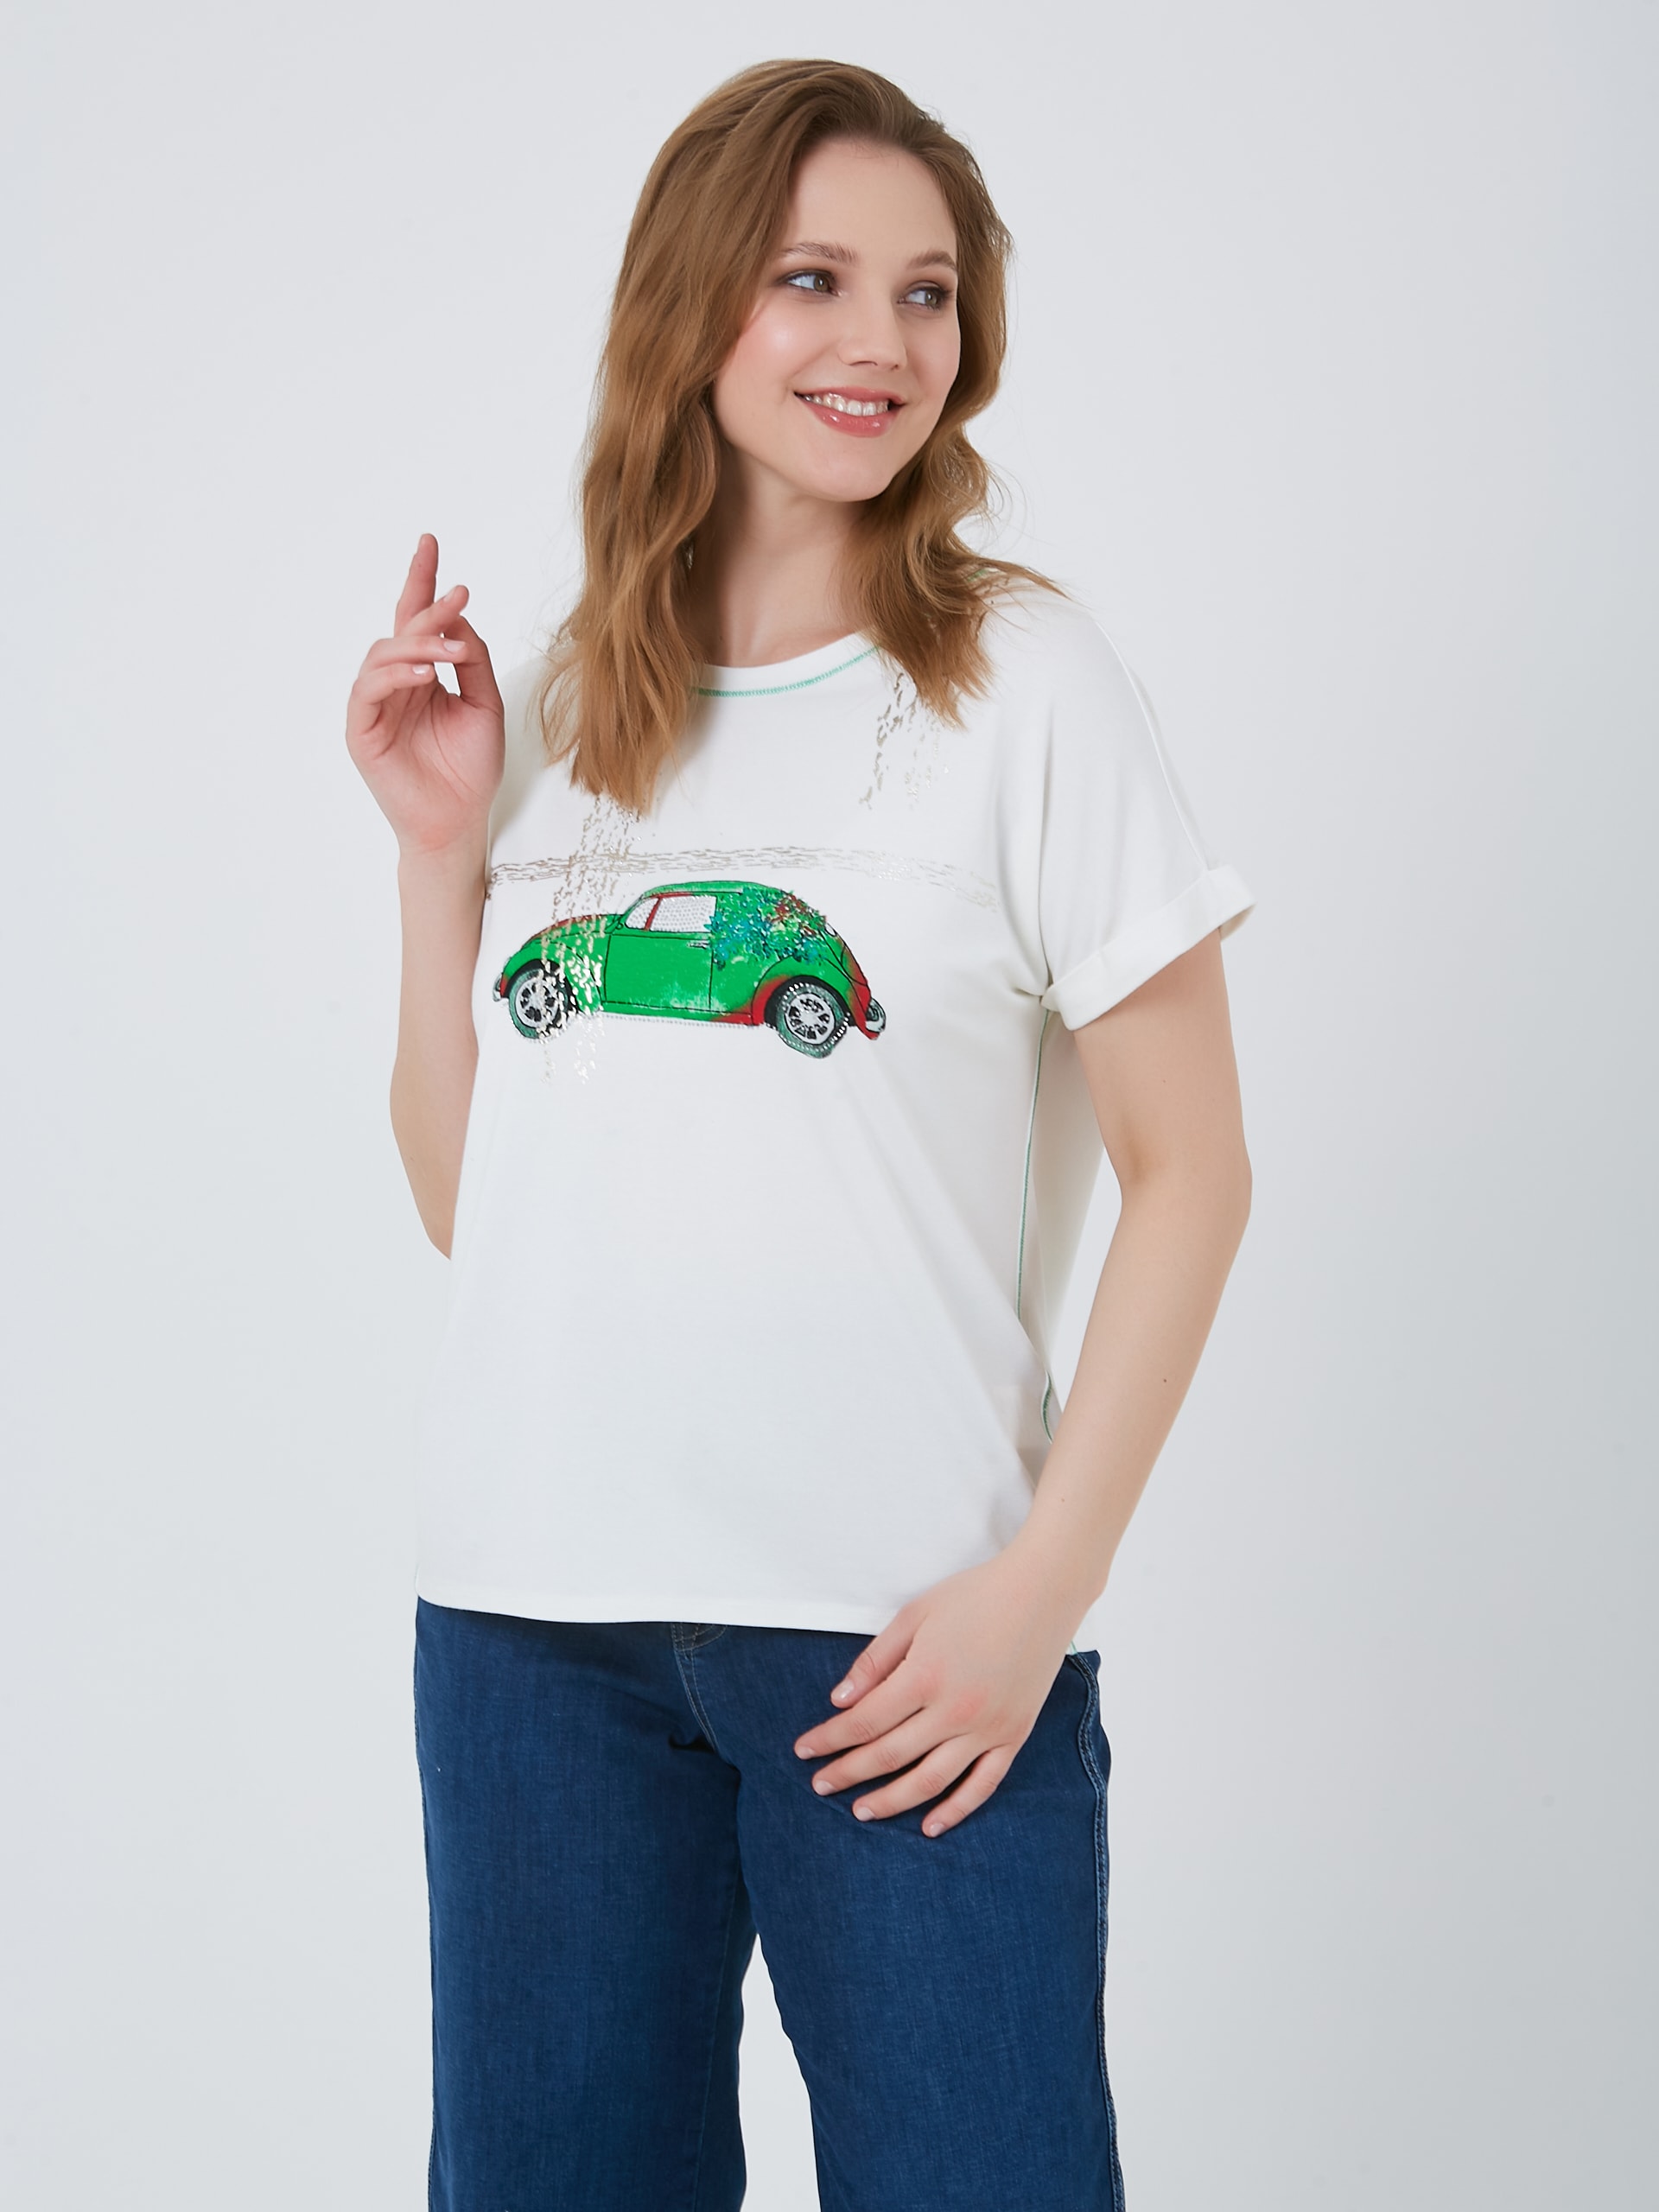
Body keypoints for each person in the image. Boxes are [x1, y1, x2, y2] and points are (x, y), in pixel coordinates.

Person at [346, 57, 1252, 2212]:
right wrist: (438, 860)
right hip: (534, 1635)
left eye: (928, 292)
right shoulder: (571, 696)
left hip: (907, 1641)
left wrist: (1044, 1586)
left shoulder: (1026, 682)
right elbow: (484, 1206)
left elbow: (1196, 1173)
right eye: (815, 278)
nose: (882, 342)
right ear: (695, 308)